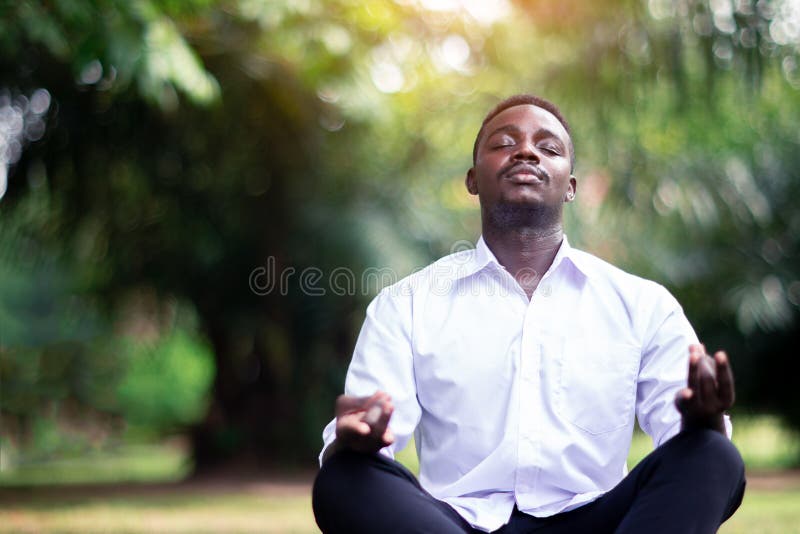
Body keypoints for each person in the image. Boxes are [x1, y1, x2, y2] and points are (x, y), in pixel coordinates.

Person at [312, 94, 745, 533]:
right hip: (454, 524)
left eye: (549, 148)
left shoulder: (642, 305)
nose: (526, 151)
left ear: (570, 186)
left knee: (714, 454)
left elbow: (687, 447)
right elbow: (361, 440)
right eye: (503, 143)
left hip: (596, 522)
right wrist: (355, 442)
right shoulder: (405, 304)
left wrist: (703, 421)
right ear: (472, 180)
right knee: (343, 477)